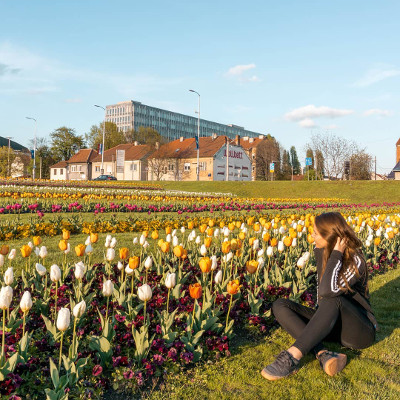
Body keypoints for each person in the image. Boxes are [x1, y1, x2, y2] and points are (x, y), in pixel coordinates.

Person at [261, 212, 377, 380]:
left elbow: (327, 292)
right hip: (331, 324)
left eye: (316, 232)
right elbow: (321, 295)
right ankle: (322, 352)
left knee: (333, 298)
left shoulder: (355, 259)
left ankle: (292, 356)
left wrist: (337, 254)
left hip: (360, 332)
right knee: (280, 305)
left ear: (329, 236)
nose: (312, 235)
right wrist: (325, 253)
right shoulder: (323, 252)